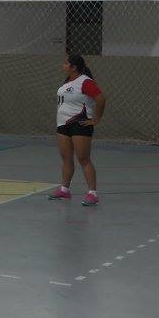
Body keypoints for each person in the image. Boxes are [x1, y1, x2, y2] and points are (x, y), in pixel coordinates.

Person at [48, 54, 107, 206]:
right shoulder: (67, 82)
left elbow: (100, 99)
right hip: (63, 125)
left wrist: (96, 119)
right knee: (66, 158)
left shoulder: (85, 82)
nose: (63, 65)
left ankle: (92, 194)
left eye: (66, 63)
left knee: (83, 159)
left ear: (74, 67)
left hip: (79, 124)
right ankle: (64, 190)